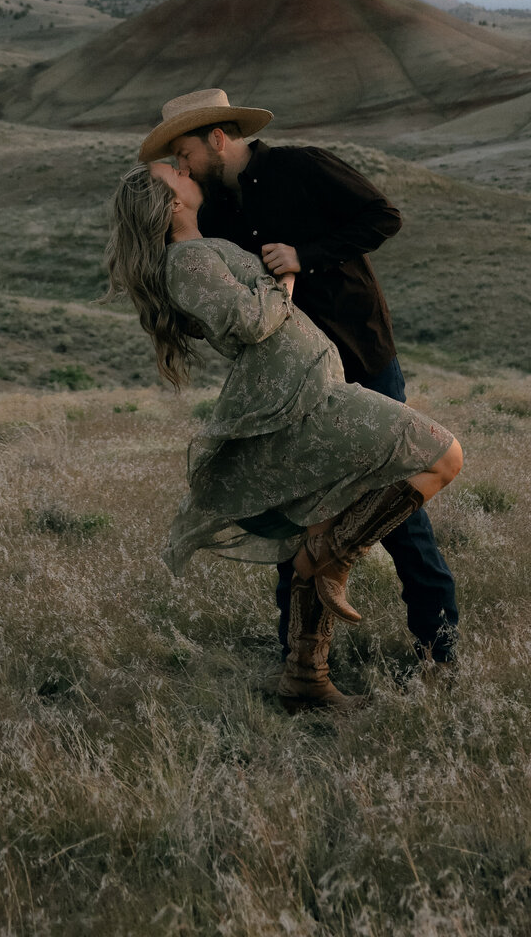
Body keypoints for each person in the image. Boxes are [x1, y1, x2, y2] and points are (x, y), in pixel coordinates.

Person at [105, 158, 463, 710]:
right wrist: (285, 280)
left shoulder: (207, 239)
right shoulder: (188, 259)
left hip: (309, 385)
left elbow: (377, 217)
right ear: (172, 202)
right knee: (443, 454)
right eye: (171, 171)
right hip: (301, 398)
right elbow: (249, 322)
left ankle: (304, 676)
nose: (182, 168)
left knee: (314, 522)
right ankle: (335, 557)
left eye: (181, 159)